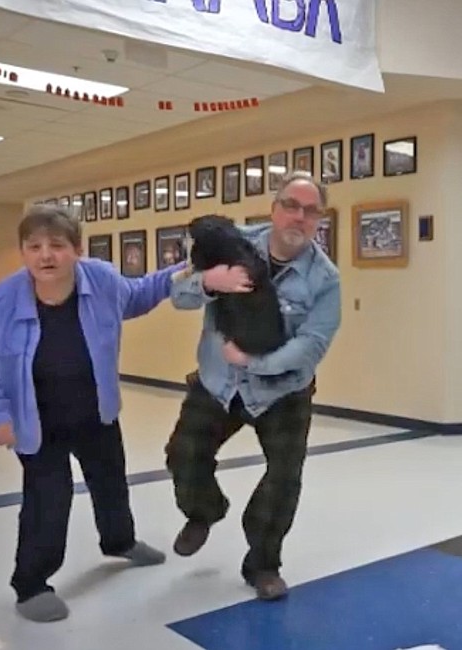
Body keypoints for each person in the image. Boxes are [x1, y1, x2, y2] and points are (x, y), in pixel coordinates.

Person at [0, 205, 188, 623]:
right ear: (24, 252)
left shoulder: (100, 280)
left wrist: (193, 269)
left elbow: (137, 295)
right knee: (49, 499)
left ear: (77, 250)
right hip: (36, 421)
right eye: (34, 247)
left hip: (93, 412)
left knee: (111, 482)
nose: (45, 256)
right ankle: (30, 585)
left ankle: (119, 541)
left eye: (57, 246)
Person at [165, 172, 341, 600]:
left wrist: (256, 363)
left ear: (319, 219)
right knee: (183, 455)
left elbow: (311, 346)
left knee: (284, 478)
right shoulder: (229, 242)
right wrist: (211, 282)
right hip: (218, 382)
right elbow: (179, 295)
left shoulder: (324, 279)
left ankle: (263, 564)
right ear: (274, 209)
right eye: (291, 206)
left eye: (310, 210)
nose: (298, 217)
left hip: (283, 390)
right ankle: (204, 511)